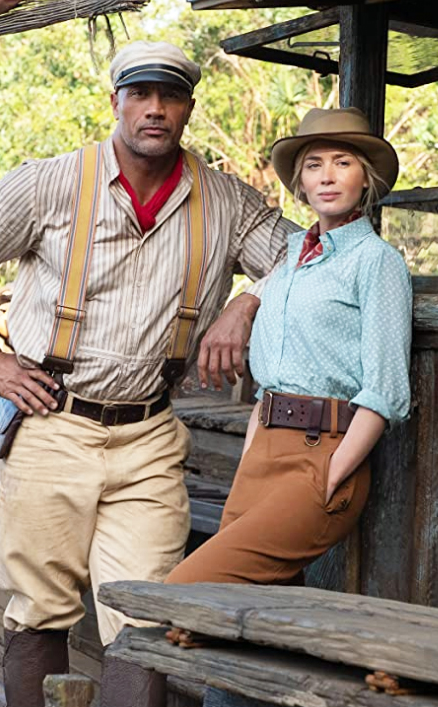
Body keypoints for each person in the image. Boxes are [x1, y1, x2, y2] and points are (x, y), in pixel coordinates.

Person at [0, 41, 297, 707]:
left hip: (149, 431)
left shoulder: (224, 200)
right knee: (40, 606)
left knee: (144, 609)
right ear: (117, 102)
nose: (156, 109)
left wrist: (248, 299)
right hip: (51, 417)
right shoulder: (56, 181)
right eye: (142, 94)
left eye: (171, 96)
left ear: (189, 109)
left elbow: (305, 254)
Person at [166, 107, 412, 590]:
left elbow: (385, 389)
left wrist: (333, 473)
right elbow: (270, 374)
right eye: (314, 164)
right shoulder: (291, 259)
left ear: (366, 178)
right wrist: (254, 451)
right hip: (262, 454)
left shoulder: (376, 262)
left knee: (188, 591)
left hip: (325, 455)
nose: (327, 176)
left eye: (343, 162)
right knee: (257, 613)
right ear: (300, 182)